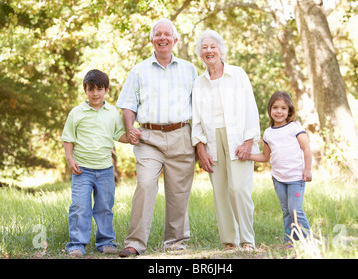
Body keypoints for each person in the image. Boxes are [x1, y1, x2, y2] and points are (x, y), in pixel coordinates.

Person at [116, 18, 198, 257]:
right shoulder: (139, 70)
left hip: (182, 134)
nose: (162, 38)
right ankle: (135, 243)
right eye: (158, 34)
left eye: (167, 34)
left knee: (179, 191)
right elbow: (128, 106)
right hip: (149, 137)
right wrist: (130, 127)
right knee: (145, 184)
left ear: (175, 40)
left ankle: (175, 242)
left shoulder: (189, 69)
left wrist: (201, 142)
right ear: (152, 40)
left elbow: (200, 106)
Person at [192, 29, 261, 251]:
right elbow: (196, 119)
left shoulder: (238, 74)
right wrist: (200, 149)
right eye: (204, 48)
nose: (209, 51)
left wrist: (249, 141)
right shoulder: (199, 83)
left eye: (213, 47)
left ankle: (248, 240)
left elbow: (251, 108)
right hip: (212, 140)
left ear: (221, 50)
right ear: (200, 54)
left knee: (239, 189)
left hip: (238, 138)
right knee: (220, 191)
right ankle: (229, 241)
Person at [61, 69, 129, 257]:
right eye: (91, 89)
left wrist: (131, 136)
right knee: (80, 207)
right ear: (85, 90)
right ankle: (76, 244)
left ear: (106, 90)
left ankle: (106, 242)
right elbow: (68, 138)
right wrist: (70, 159)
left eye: (99, 89)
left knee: (104, 206)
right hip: (82, 170)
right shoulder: (77, 113)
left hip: (105, 170)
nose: (95, 94)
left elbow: (119, 135)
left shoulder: (112, 113)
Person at [246, 91, 312, 243]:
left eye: (283, 108)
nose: (279, 111)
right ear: (270, 109)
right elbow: (265, 157)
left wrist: (307, 169)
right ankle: (290, 240)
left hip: (296, 177)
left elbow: (306, 148)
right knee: (286, 211)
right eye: (275, 107)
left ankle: (307, 240)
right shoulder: (268, 133)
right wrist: (247, 156)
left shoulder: (294, 127)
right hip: (278, 178)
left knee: (296, 210)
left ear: (289, 111)